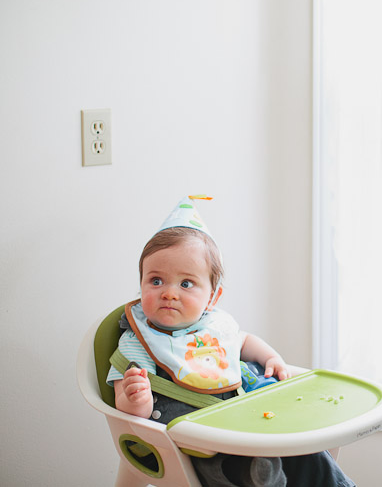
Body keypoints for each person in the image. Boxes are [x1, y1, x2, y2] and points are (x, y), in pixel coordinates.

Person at [107, 196, 355, 487]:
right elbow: (125, 412)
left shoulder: (214, 327)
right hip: (191, 444)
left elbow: (243, 340)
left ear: (212, 297)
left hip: (246, 420)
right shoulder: (139, 341)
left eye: (186, 284)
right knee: (255, 466)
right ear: (141, 284)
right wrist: (136, 400)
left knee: (307, 451)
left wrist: (271, 357)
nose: (169, 293)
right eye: (156, 281)